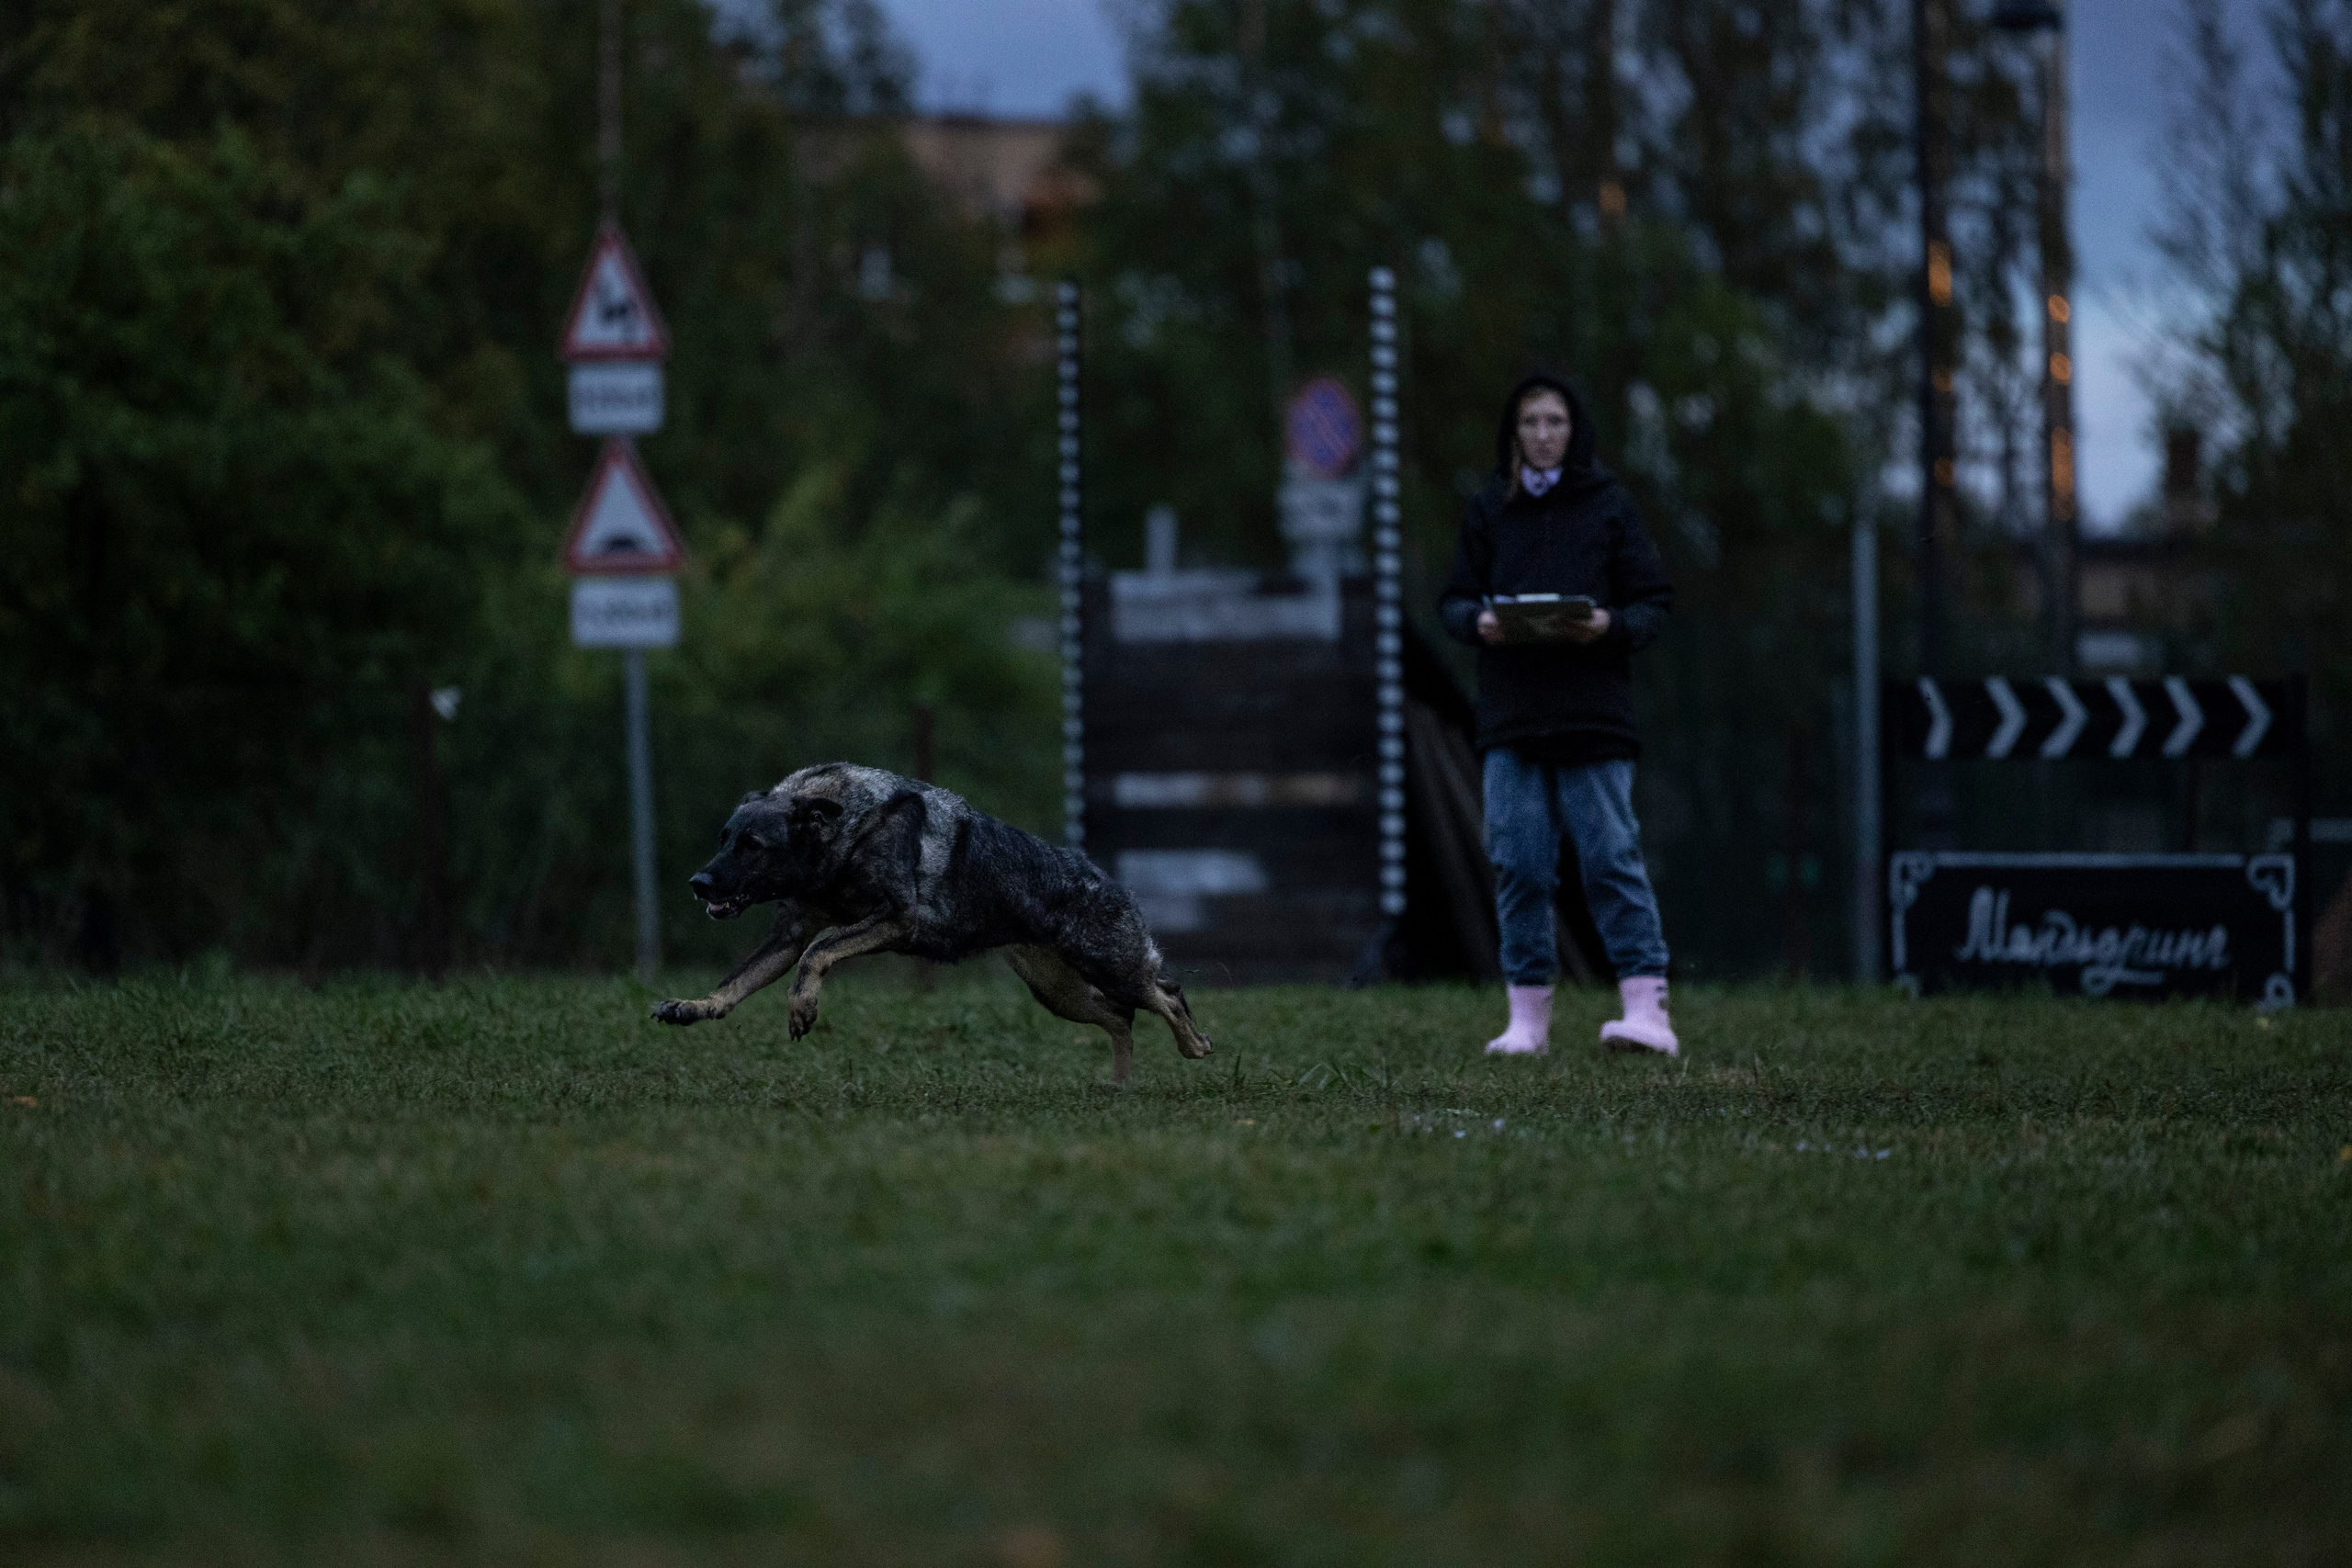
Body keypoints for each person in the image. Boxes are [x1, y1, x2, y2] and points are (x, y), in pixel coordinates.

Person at [1437, 373, 1679, 1056]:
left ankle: (1648, 1011)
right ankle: (1528, 1022)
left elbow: (1653, 604)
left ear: (1576, 431)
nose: (1543, 435)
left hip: (1592, 716)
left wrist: (1606, 623)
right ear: (1513, 432)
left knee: (1610, 857)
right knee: (1520, 862)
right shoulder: (1490, 510)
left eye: (1555, 422)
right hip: (1513, 718)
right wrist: (1479, 620)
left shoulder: (1610, 509)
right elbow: (1452, 601)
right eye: (1531, 423)